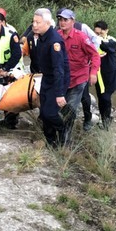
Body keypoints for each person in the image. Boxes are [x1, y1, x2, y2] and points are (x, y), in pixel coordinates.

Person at [56, 9, 100, 140]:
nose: (62, 22)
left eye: (65, 20)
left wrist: (93, 73)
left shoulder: (81, 37)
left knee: (70, 109)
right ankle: (60, 131)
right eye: (60, 20)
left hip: (78, 79)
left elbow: (95, 55)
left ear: (73, 21)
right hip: (62, 80)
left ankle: (66, 140)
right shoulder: (56, 36)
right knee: (60, 108)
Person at [32, 8, 70, 147]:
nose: (34, 25)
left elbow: (59, 69)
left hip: (57, 79)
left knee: (50, 113)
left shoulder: (54, 41)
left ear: (47, 23)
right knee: (43, 112)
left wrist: (60, 94)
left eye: (38, 22)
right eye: (33, 21)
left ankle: (63, 129)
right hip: (47, 78)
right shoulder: (41, 37)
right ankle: (50, 141)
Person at [93, 20, 116, 128]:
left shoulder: (111, 41)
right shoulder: (92, 41)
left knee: (106, 97)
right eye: (96, 33)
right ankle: (104, 119)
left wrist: (98, 39)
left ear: (106, 31)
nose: (98, 35)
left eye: (101, 33)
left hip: (110, 75)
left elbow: (107, 47)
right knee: (101, 98)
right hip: (98, 75)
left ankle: (107, 120)